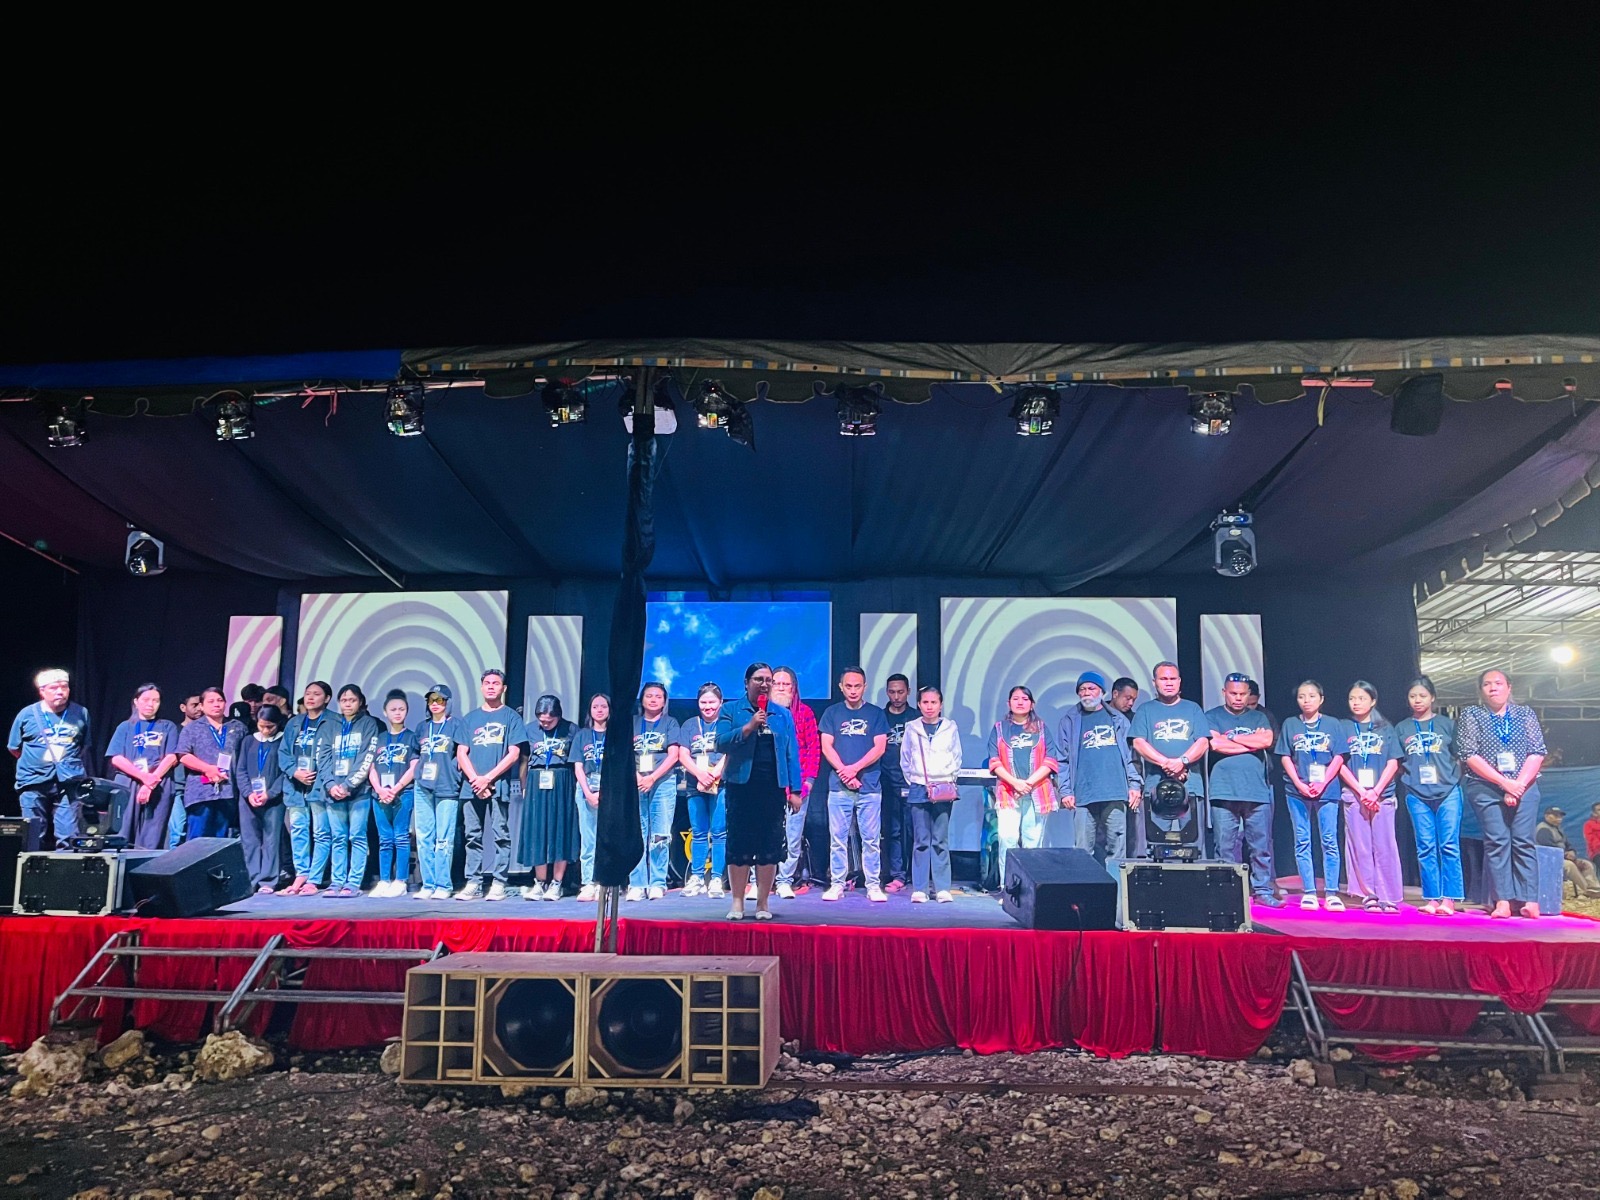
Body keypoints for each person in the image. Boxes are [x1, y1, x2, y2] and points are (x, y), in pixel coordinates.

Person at [1457, 668, 1549, 918]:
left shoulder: (1524, 713)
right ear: (1481, 690)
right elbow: (1469, 754)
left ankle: (1530, 900)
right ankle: (1503, 901)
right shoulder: (1472, 714)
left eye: (1498, 683)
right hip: (1485, 787)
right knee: (1497, 842)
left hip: (1525, 786)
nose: (1493, 687)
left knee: (1523, 840)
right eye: (1487, 684)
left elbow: (1537, 752)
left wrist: (1518, 785)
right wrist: (1503, 783)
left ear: (1509, 687)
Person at [717, 662, 801, 920]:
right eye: (758, 679)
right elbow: (720, 742)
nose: (764, 684)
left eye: (768, 680)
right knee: (739, 845)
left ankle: (763, 903)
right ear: (746, 683)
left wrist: (795, 790)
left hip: (772, 788)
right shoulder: (731, 709)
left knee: (769, 846)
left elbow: (791, 753)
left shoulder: (782, 714)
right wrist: (749, 726)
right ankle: (737, 902)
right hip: (741, 787)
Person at [1206, 673, 1282, 907]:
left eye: (1242, 694)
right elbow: (1215, 744)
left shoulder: (1259, 717)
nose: (1238, 698)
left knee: (1260, 846)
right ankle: (1228, 892)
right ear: (1224, 693)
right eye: (1233, 693)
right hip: (1224, 791)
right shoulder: (1212, 716)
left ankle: (1262, 890)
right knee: (1225, 847)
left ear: (1249, 694)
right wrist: (1249, 742)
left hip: (1256, 791)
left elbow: (1266, 741)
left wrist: (1232, 739)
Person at [454, 669, 528, 901]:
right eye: (487, 683)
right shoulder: (470, 718)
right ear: (481, 687)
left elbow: (514, 754)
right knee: (472, 836)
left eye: (496, 683)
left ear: (503, 688)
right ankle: (473, 882)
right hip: (472, 787)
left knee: (500, 835)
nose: (491, 687)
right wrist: (476, 780)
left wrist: (488, 778)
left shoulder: (511, 717)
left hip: (498, 786)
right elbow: (461, 753)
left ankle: (498, 883)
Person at [819, 667, 891, 903]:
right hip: (838, 787)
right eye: (848, 686)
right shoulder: (832, 713)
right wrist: (845, 771)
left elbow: (879, 747)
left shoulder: (876, 714)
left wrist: (854, 769)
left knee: (871, 840)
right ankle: (837, 884)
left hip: (869, 787)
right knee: (837, 840)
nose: (853, 690)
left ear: (865, 687)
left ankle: (873, 885)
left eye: (857, 686)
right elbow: (826, 746)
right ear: (841, 687)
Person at [1396, 676, 1464, 916]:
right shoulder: (1402, 728)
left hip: (1447, 792)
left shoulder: (1447, 724)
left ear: (1432, 698)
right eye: (1413, 696)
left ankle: (1450, 899)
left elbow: (1459, 756)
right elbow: (1399, 761)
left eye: (1422, 696)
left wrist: (1450, 778)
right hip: (1417, 794)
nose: (1417, 700)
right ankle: (1432, 898)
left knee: (1449, 845)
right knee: (1425, 846)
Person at [1275, 681, 1347, 909]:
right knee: (1302, 840)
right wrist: (1299, 783)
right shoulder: (1291, 724)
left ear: (1321, 699)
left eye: (1312, 696)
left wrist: (1323, 782)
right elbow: (1285, 756)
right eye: (1302, 696)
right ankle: (1309, 891)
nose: (1307, 700)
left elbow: (1339, 756)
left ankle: (1332, 892)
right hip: (1297, 791)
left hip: (1327, 790)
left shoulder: (1333, 724)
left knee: (1329, 840)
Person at [1059, 671, 1141, 869]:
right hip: (1083, 794)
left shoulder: (1118, 719)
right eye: (1082, 689)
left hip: (1115, 791)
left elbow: (1131, 757)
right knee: (1083, 851)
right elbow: (1062, 760)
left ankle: (1117, 889)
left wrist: (1134, 785)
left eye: (1091, 688)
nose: (1086, 692)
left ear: (1102, 692)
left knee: (1117, 851)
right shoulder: (1069, 721)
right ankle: (1086, 889)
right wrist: (1065, 791)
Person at [1128, 663, 1210, 856]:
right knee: (1154, 846)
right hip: (1155, 787)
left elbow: (1203, 742)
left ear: (1179, 681)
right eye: (1163, 679)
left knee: (1194, 846)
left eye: (1173, 679)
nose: (1169, 683)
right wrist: (1167, 763)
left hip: (1190, 786)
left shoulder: (1192, 709)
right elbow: (1138, 743)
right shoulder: (1145, 710)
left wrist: (1181, 762)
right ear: (1154, 682)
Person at [1338, 681, 1404, 913]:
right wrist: (1361, 791)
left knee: (1385, 846)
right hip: (1355, 794)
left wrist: (1375, 791)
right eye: (1352, 698)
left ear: (1373, 701)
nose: (1356, 703)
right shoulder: (1343, 727)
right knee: (1360, 847)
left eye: (1361, 698)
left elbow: (1393, 762)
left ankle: (1388, 896)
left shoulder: (1385, 728)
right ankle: (1368, 895)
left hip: (1382, 795)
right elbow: (1339, 762)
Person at [8, 668, 92, 850]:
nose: (60, 691)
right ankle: (31, 867)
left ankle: (65, 867)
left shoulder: (81, 712)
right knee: (32, 835)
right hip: (33, 781)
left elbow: (84, 746)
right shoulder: (27, 714)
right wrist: (36, 762)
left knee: (68, 835)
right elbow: (14, 748)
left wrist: (66, 762)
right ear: (42, 691)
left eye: (64, 687)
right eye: (54, 688)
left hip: (68, 782)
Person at [987, 685, 1062, 885]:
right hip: (1008, 793)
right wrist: (1015, 783)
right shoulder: (999, 729)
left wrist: (1027, 784)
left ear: (1032, 704)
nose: (1020, 702)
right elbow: (994, 761)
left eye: (1025, 699)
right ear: (1008, 703)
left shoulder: (1041, 728)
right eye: (1016, 698)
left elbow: (1050, 760)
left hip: (1037, 792)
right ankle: (1008, 888)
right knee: (1007, 840)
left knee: (1032, 843)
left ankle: (1031, 890)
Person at [316, 685, 381, 898]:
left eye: (352, 700)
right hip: (332, 791)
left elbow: (367, 757)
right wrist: (330, 784)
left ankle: (353, 883)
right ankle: (336, 882)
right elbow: (322, 757)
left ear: (360, 702)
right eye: (344, 700)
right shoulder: (329, 725)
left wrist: (348, 785)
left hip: (358, 792)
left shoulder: (368, 724)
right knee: (338, 837)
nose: (347, 704)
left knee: (357, 836)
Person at [900, 685, 962, 902]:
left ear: (941, 705)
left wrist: (947, 779)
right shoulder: (912, 728)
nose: (929, 706)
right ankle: (920, 888)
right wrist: (916, 780)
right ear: (919, 704)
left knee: (940, 839)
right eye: (925, 702)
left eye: (933, 702)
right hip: (919, 786)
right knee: (921, 840)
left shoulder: (950, 728)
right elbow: (905, 759)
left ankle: (942, 888)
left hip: (943, 787)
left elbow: (957, 757)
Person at [513, 695, 578, 901]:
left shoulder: (571, 729)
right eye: (542, 720)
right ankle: (540, 882)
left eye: (550, 720)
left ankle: (557, 883)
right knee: (537, 832)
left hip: (562, 780)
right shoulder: (529, 730)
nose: (545, 723)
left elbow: (576, 761)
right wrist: (524, 785)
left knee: (560, 831)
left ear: (558, 716)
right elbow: (524, 760)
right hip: (536, 780)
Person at [106, 683, 180, 850]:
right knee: (123, 830)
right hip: (128, 781)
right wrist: (144, 778)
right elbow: (117, 758)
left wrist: (151, 782)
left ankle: (147, 865)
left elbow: (171, 757)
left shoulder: (167, 726)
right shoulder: (125, 727)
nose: (150, 704)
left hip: (159, 781)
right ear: (136, 701)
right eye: (146, 700)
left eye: (155, 700)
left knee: (153, 834)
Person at [770, 666, 821, 898]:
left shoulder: (805, 714)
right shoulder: (761, 714)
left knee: (792, 836)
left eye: (786, 684)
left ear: (794, 687)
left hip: (797, 788)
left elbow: (813, 750)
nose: (781, 688)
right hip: (768, 786)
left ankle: (784, 880)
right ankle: (759, 881)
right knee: (764, 834)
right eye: (777, 683)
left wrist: (807, 783)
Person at [627, 682, 681, 901]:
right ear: (642, 699)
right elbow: (625, 753)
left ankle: (658, 882)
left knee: (660, 834)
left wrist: (652, 777)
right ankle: (637, 883)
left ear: (664, 701)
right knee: (637, 833)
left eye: (658, 696)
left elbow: (674, 755)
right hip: (636, 782)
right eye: (649, 695)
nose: (653, 700)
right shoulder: (633, 723)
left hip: (662, 782)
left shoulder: (670, 723)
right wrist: (638, 776)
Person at [279, 681, 333, 895]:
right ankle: (301, 874)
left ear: (327, 698)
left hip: (320, 786)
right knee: (298, 830)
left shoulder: (334, 721)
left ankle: (315, 878)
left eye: (316, 694)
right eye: (308, 693)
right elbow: (283, 753)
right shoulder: (294, 723)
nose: (310, 697)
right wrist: (295, 772)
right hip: (295, 786)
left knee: (321, 832)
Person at [678, 683, 730, 898]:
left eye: (712, 702)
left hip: (720, 783)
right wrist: (700, 774)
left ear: (721, 702)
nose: (708, 706)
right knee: (698, 831)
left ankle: (716, 878)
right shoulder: (690, 724)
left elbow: (731, 750)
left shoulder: (726, 723)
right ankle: (697, 877)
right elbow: (682, 754)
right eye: (703, 702)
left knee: (719, 832)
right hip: (696, 783)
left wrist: (716, 773)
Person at [176, 687, 246, 841]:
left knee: (221, 840)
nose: (216, 704)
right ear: (201, 706)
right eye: (211, 701)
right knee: (197, 839)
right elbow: (183, 756)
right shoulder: (192, 728)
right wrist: (208, 769)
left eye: (220, 700)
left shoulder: (237, 727)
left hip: (228, 790)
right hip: (201, 792)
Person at [412, 684, 462, 900]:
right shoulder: (422, 727)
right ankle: (428, 884)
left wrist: (455, 771)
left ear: (447, 703)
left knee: (444, 839)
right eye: (431, 700)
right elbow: (415, 753)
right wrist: (417, 771)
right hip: (423, 786)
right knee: (424, 837)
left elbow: (462, 752)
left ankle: (443, 884)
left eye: (439, 700)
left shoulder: (456, 725)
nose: (435, 704)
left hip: (447, 786)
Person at [370, 689, 420, 898]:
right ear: (385, 712)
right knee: (384, 839)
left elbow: (414, 767)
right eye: (393, 709)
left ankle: (400, 880)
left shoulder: (411, 737)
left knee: (400, 837)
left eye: (401, 709)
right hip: (380, 795)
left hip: (403, 793)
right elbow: (370, 767)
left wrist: (396, 788)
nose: (397, 713)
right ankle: (384, 880)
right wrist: (380, 789)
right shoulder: (379, 738)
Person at [239, 703, 287, 893]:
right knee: (250, 840)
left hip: (273, 800)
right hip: (249, 798)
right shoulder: (248, 741)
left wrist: (271, 793)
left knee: (271, 840)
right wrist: (248, 793)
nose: (265, 730)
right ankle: (252, 878)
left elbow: (285, 773)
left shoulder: (283, 741)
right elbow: (240, 770)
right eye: (261, 726)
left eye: (270, 727)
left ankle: (268, 880)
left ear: (278, 723)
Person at [570, 693, 610, 902]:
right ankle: (588, 882)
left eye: (604, 706)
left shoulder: (615, 734)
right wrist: (587, 792)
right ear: (590, 710)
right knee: (588, 838)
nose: (599, 710)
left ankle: (606, 882)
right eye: (595, 707)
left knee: (608, 837)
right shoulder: (582, 735)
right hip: (586, 788)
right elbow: (578, 766)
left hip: (609, 789)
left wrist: (605, 791)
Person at [879, 674, 914, 893]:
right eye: (892, 692)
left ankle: (913, 875)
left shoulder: (916, 718)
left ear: (908, 691)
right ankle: (896, 874)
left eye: (900, 692)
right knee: (891, 831)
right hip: (885, 782)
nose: (896, 696)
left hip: (911, 782)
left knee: (913, 831)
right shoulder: (880, 717)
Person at [165, 693, 203, 849]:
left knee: (198, 833)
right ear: (183, 707)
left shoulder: (205, 731)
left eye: (201, 704)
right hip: (179, 787)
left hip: (201, 788)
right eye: (194, 705)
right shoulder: (175, 731)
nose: (199, 709)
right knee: (177, 833)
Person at [1537, 806, 1600, 898]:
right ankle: (1586, 889)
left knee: (1586, 864)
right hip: (1549, 860)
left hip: (1562, 857)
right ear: (1546, 816)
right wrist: (1566, 855)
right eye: (1555, 816)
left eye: (1560, 816)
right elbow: (1549, 848)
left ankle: (1595, 888)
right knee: (1570, 865)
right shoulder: (1543, 829)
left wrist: (1572, 851)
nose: (1559, 818)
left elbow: (1568, 844)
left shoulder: (1558, 828)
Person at [1586, 802, 1600, 870]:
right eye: (1599, 810)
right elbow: (1593, 842)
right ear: (1594, 813)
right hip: (1597, 853)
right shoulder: (1588, 825)